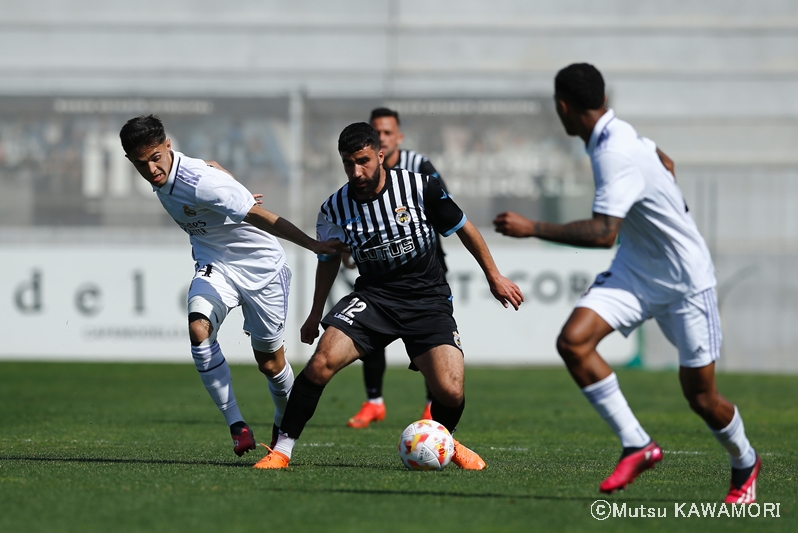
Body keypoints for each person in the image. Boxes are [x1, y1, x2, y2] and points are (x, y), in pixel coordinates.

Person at [493, 63, 760, 503]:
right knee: (574, 342)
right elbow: (664, 160)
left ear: (563, 107)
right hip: (637, 271)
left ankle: (745, 461)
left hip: (685, 282)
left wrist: (532, 227)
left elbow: (603, 233)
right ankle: (638, 444)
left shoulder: (613, 150)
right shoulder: (616, 136)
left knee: (702, 398)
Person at [253, 122, 523, 469]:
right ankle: (281, 451)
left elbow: (464, 228)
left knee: (451, 390)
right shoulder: (334, 208)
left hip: (427, 299)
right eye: (348, 163)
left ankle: (446, 441)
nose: (356, 171)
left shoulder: (418, 187)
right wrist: (314, 312)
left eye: (363, 160)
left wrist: (493, 275)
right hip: (375, 298)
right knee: (321, 363)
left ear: (381, 155)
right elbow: (328, 259)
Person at [119, 115, 344, 457]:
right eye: (140, 163)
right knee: (198, 328)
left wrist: (312, 245)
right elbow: (211, 168)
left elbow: (259, 215)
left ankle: (283, 422)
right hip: (216, 265)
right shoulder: (171, 173)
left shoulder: (200, 182)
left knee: (269, 363)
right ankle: (237, 425)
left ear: (168, 146)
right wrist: (233, 190)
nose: (151, 169)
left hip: (262, 269)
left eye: (154, 158)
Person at [344, 107, 445, 429]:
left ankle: (432, 406)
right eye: (377, 132)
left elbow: (445, 206)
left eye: (387, 133)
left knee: (429, 340)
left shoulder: (418, 167)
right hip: (378, 269)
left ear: (396, 138)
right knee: (369, 333)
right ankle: (374, 402)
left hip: (423, 268)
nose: (382, 137)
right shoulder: (362, 170)